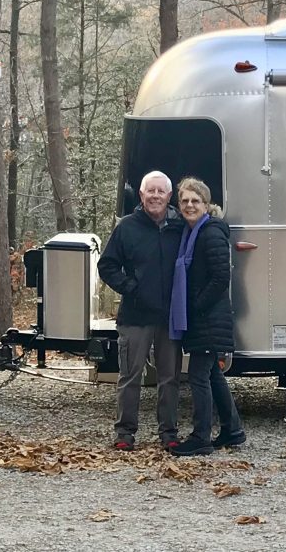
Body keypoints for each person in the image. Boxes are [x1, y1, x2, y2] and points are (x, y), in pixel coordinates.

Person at [97, 170, 185, 451]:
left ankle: (169, 433)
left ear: (169, 196)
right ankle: (124, 433)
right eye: (151, 191)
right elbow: (106, 265)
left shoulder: (180, 227)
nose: (155, 196)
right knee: (130, 376)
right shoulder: (127, 227)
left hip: (170, 317)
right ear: (141, 195)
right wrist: (130, 286)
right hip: (135, 316)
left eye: (161, 191)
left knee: (169, 378)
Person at [168, 177, 245, 456]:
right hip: (204, 317)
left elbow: (221, 277)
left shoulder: (210, 232)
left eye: (195, 200)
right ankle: (232, 430)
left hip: (208, 317)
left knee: (198, 376)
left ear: (206, 204)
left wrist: (197, 306)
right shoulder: (191, 233)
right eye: (184, 201)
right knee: (212, 374)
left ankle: (201, 436)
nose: (189, 205)